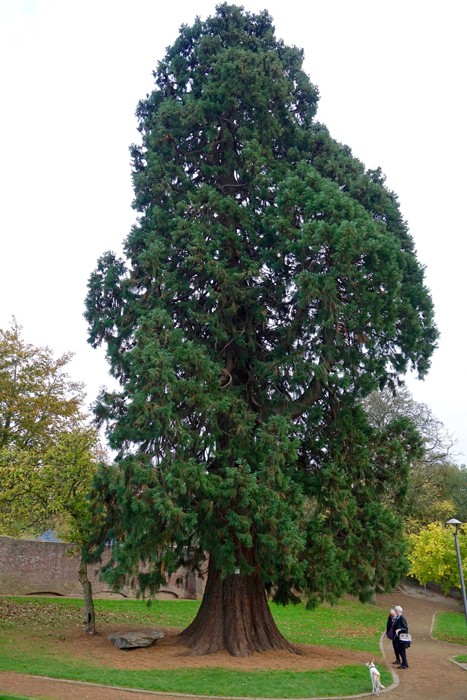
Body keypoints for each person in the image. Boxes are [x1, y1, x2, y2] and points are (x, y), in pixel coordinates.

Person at [393, 604, 410, 669]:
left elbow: (406, 628)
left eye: (397, 611)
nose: (396, 612)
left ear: (400, 611)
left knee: (402, 650)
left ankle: (404, 664)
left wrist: (399, 629)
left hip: (402, 638)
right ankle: (405, 663)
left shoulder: (402, 618)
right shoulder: (397, 618)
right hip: (398, 638)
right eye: (395, 611)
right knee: (400, 650)